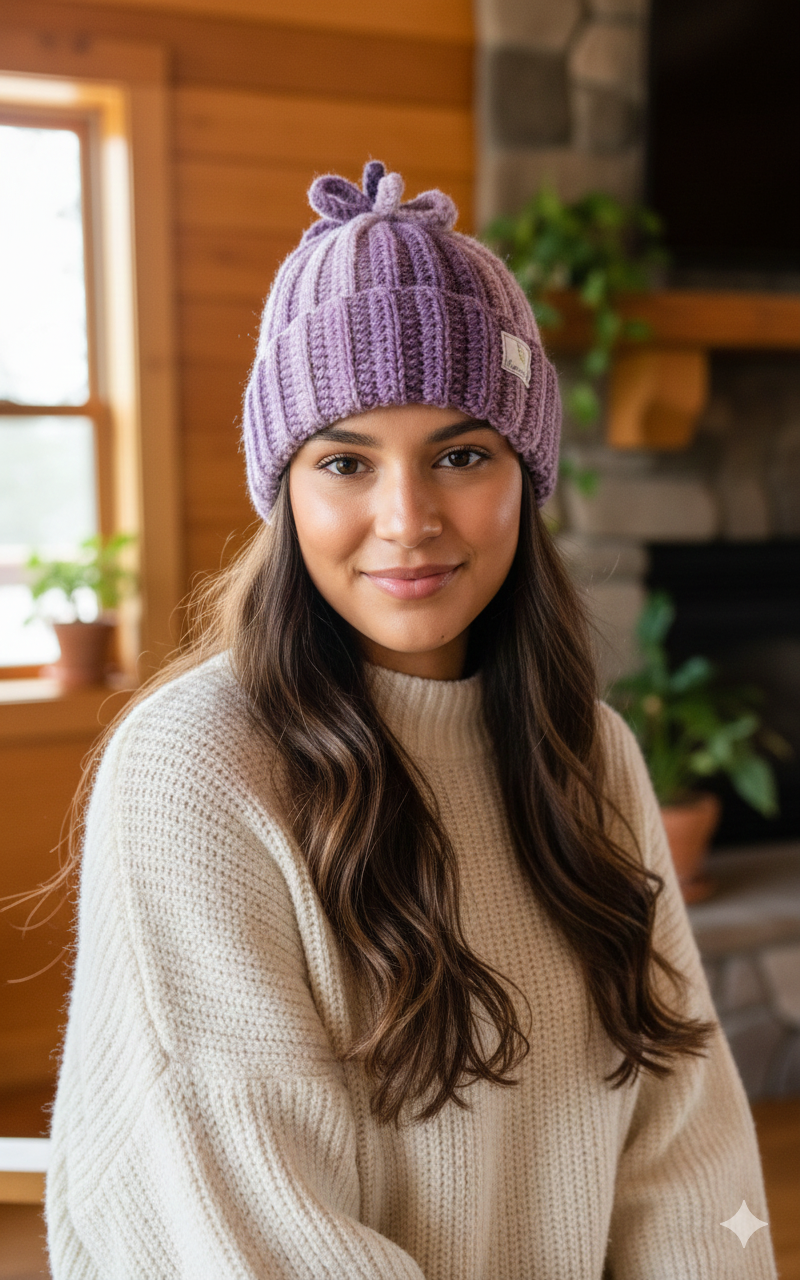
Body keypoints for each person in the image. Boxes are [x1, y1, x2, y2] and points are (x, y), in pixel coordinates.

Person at [46, 161, 777, 1279]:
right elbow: (261, 1236)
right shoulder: (193, 771)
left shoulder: (592, 755)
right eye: (345, 460)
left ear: (522, 478)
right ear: (283, 490)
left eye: (460, 453)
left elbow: (688, 1158)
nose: (406, 520)